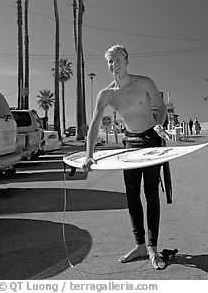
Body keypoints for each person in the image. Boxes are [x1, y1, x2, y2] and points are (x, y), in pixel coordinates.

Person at [82, 44, 171, 270]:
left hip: (151, 139)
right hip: (130, 142)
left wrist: (160, 126)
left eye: (117, 60)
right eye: (110, 62)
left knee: (151, 193)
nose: (114, 65)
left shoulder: (144, 82)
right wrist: (89, 155)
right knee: (132, 195)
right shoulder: (106, 94)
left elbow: (160, 106)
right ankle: (139, 245)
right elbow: (93, 124)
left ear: (126, 60)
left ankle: (152, 246)